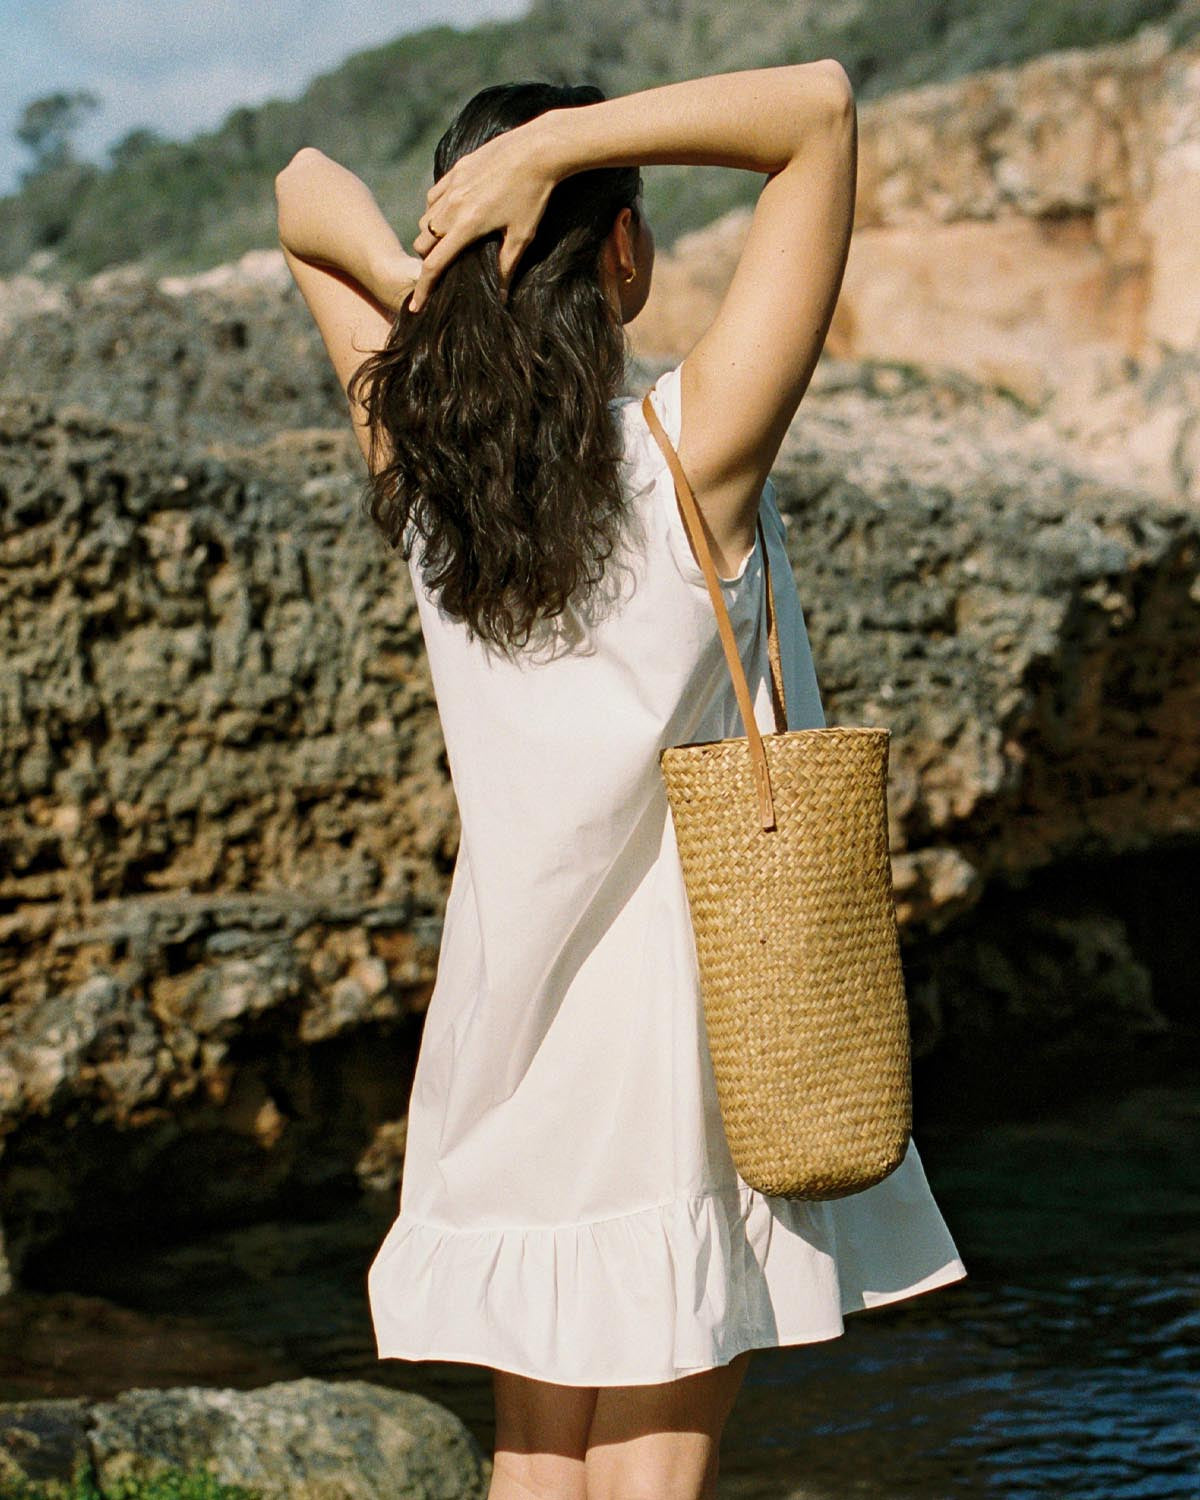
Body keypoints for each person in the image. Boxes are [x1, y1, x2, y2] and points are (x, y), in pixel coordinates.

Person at [275, 61, 967, 1500]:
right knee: (653, 1468)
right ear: (625, 253)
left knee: (538, 1461)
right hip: (680, 1039)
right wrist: (569, 146)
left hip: (507, 1035)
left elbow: (300, 192)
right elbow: (819, 112)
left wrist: (429, 270)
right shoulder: (688, 455)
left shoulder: (426, 474)